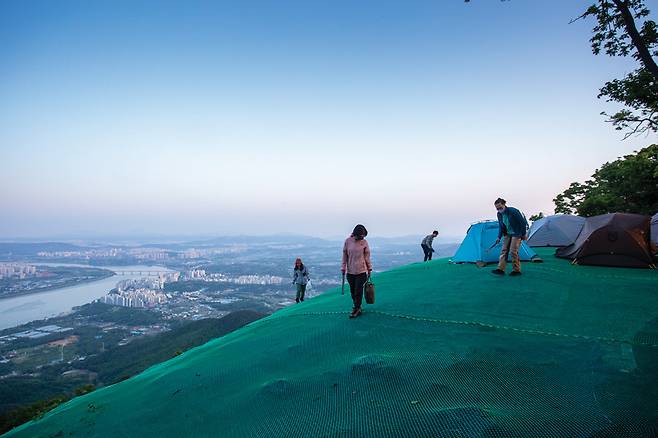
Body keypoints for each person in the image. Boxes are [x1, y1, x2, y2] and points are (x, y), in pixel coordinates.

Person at [491, 198, 529, 276]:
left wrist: (524, 234)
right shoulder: (499, 214)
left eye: (500, 207)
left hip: (517, 233)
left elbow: (522, 223)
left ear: (504, 204)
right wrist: (499, 237)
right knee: (504, 250)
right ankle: (500, 269)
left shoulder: (513, 211)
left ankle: (516, 270)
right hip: (507, 234)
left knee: (513, 251)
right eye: (497, 208)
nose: (499, 209)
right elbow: (501, 226)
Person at [341, 224, 372, 318]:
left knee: (358, 291)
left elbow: (367, 256)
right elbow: (345, 255)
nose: (362, 237)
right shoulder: (348, 241)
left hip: (361, 271)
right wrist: (343, 267)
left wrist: (369, 268)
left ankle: (357, 308)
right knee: (352, 291)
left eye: (363, 235)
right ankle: (357, 306)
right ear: (356, 234)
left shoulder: (365, 243)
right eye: (361, 235)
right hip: (350, 271)